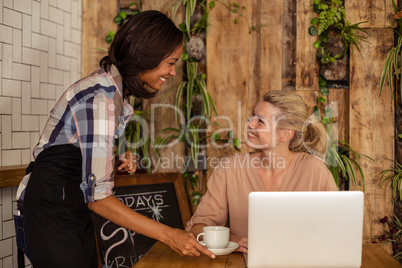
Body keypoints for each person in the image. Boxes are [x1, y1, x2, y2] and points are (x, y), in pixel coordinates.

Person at [16, 10, 214, 268]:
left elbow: (78, 156)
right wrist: (170, 235)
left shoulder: (114, 92)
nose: (173, 72)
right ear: (147, 56)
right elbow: (98, 198)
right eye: (171, 62)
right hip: (53, 209)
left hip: (67, 206)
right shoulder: (103, 99)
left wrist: (111, 163)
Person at [186, 90, 338, 254]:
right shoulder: (229, 168)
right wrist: (235, 241)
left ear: (285, 134)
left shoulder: (314, 169)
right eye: (252, 116)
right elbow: (198, 227)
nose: (250, 124)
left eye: (260, 121)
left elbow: (337, 227)